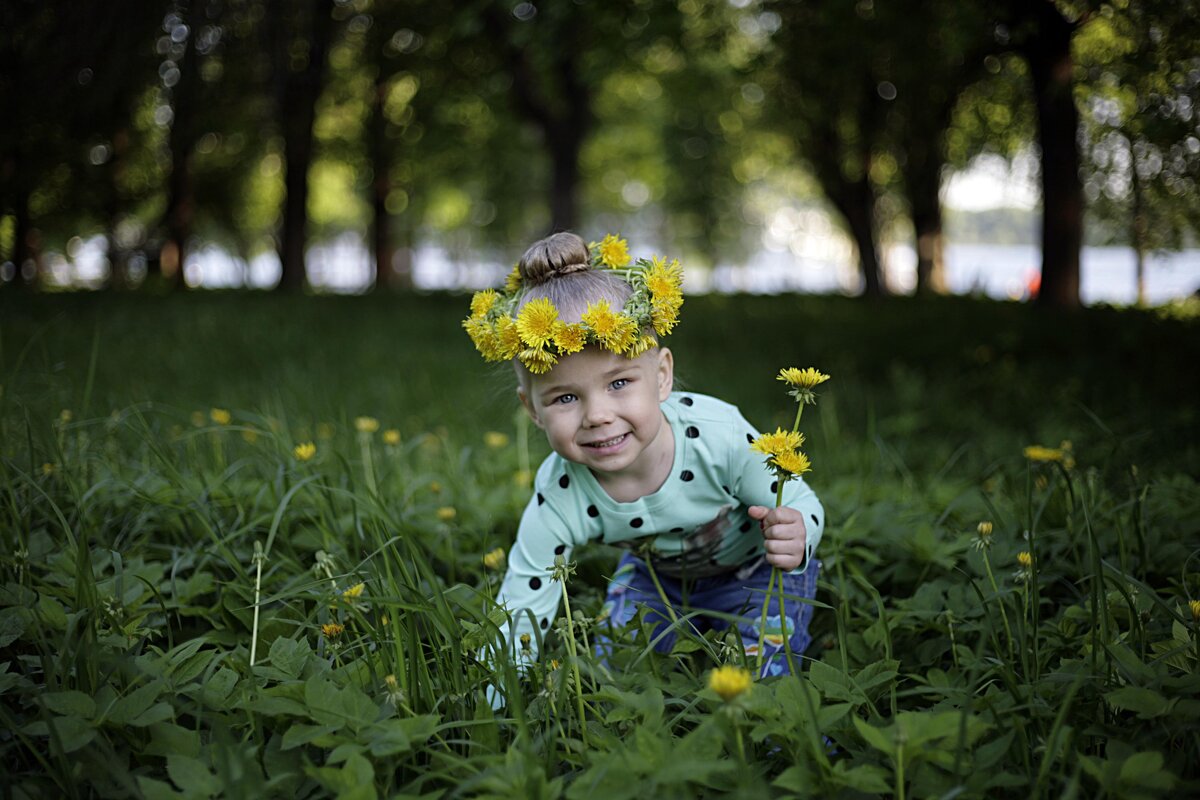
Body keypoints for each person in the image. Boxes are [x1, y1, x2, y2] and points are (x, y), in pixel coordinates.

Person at [462, 231, 825, 698]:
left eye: (618, 384)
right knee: (614, 673)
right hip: (660, 583)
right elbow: (523, 594)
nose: (597, 415)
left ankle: (779, 737)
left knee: (766, 675)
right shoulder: (561, 492)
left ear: (661, 376)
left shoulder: (718, 436)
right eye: (566, 397)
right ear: (532, 410)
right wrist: (496, 700)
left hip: (757, 570)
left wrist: (798, 531)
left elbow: (796, 497)